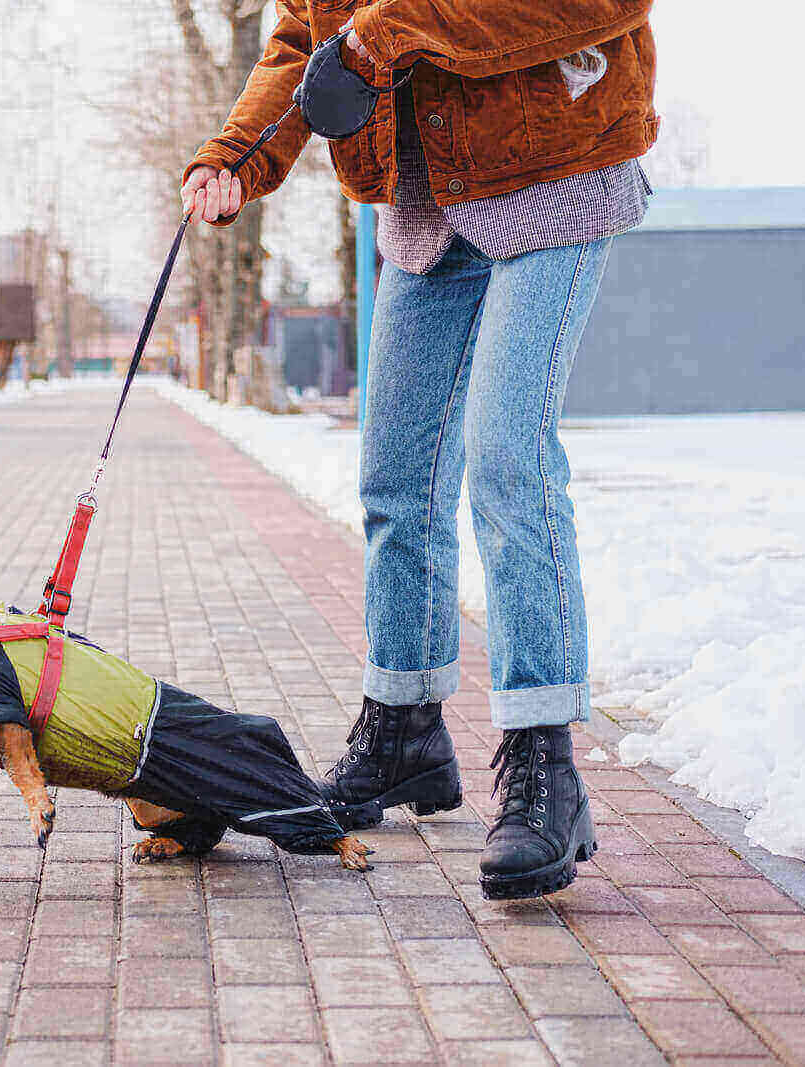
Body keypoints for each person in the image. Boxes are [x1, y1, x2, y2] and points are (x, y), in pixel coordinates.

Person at [181, 0, 657, 900]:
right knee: (395, 477)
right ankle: (403, 728)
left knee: (507, 454)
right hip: (426, 200)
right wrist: (240, 154)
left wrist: (381, 35)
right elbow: (302, 40)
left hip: (553, 169)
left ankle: (543, 757)